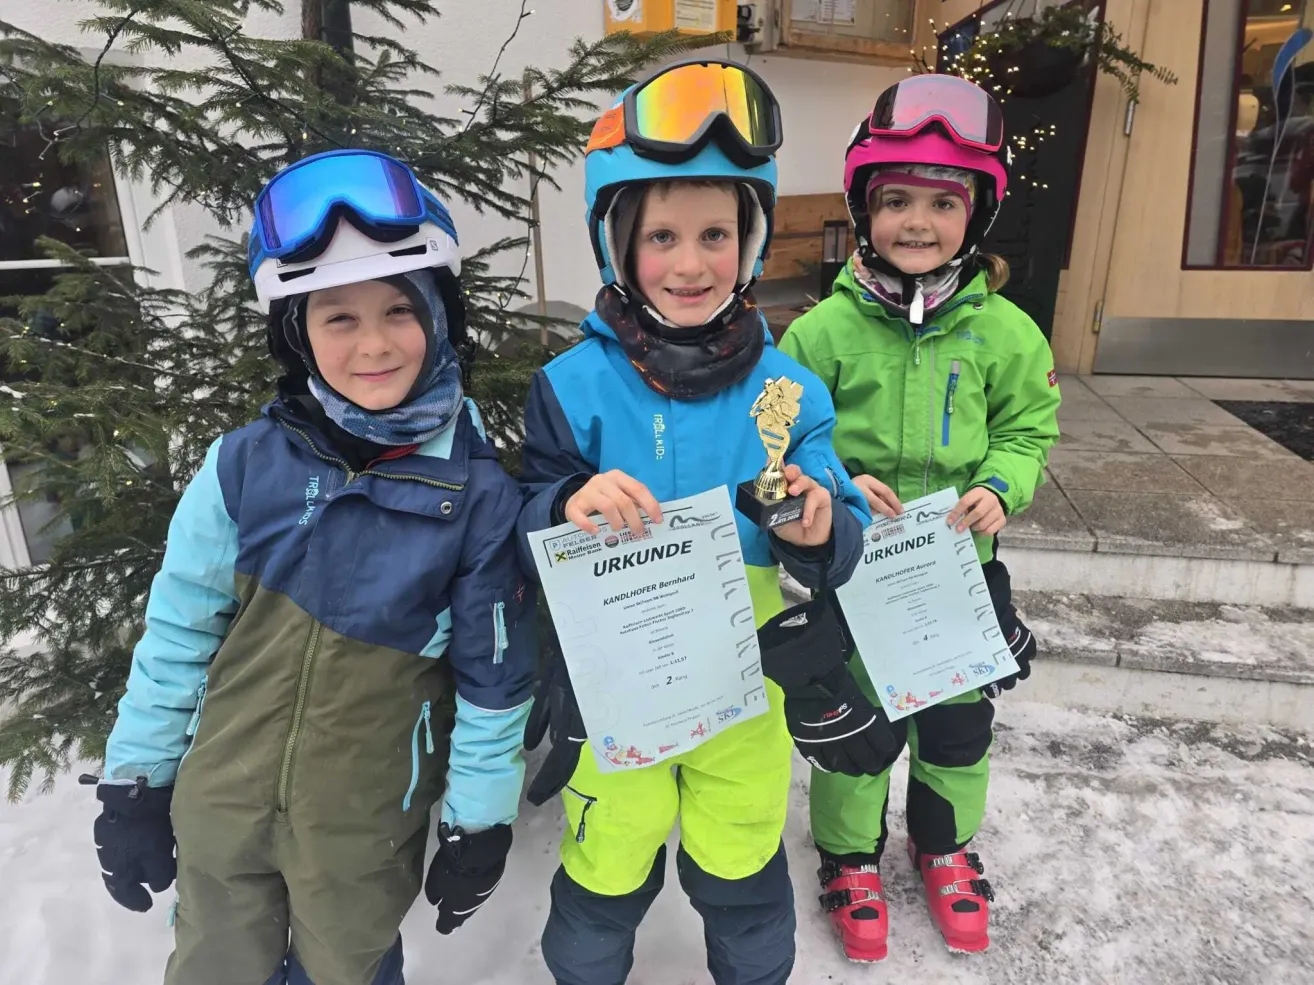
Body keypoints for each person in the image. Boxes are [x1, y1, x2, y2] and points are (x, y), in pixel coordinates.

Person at [90, 149, 537, 985]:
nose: (374, 344)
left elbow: (493, 681)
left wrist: (479, 823)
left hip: (361, 835)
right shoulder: (242, 467)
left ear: (441, 318)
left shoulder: (477, 496)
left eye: (399, 311)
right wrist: (136, 783)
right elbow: (179, 632)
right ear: (296, 331)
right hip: (222, 815)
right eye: (338, 318)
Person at [515, 59, 881, 985]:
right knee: (606, 867)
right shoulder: (573, 389)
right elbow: (518, 518)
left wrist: (815, 526)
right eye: (662, 236)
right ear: (616, 246)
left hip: (744, 691)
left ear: (751, 241)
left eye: (717, 232)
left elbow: (838, 529)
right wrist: (565, 503)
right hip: (619, 693)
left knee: (743, 865)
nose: (689, 262)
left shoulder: (789, 392)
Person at [779, 74, 1060, 961]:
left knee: (955, 723)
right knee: (858, 725)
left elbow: (1028, 424)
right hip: (858, 573)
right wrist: (835, 479)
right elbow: (778, 437)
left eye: (943, 202)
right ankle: (850, 857)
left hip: (955, 574)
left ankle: (942, 843)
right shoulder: (820, 332)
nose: (916, 221)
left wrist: (1003, 484)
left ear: (975, 215)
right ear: (865, 207)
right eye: (895, 199)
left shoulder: (1006, 332)